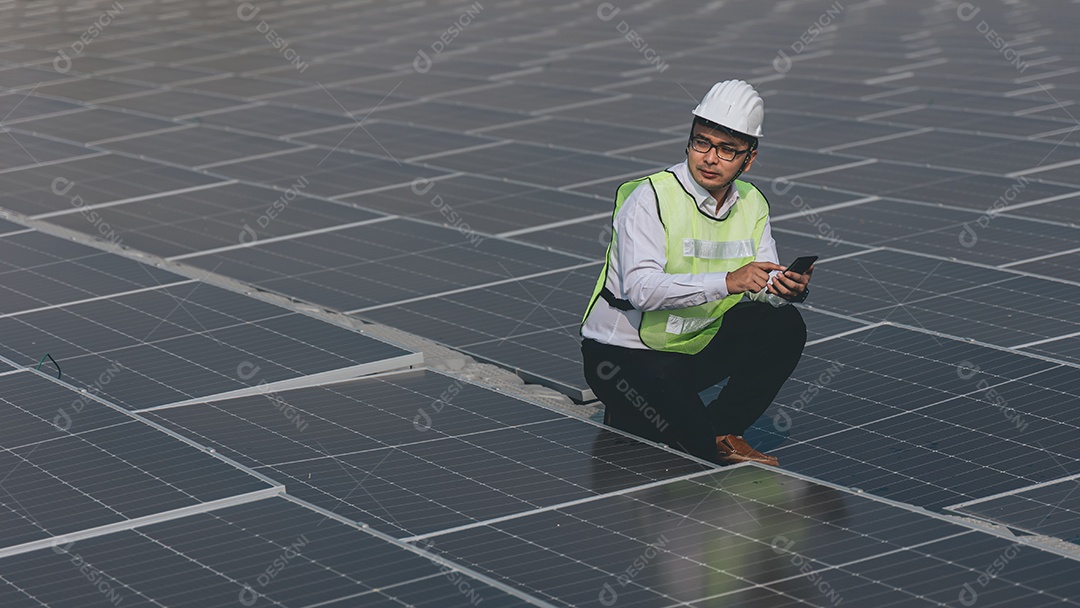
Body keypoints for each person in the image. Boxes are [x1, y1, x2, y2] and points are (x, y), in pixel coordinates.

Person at [580, 79, 811, 467]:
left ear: (748, 159)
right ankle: (643, 416)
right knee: (693, 457)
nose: (710, 158)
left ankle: (723, 429)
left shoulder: (752, 203)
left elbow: (760, 284)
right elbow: (641, 291)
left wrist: (784, 288)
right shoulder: (651, 197)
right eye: (701, 142)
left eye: (727, 150)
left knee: (784, 324)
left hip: (689, 346)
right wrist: (728, 281)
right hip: (625, 357)